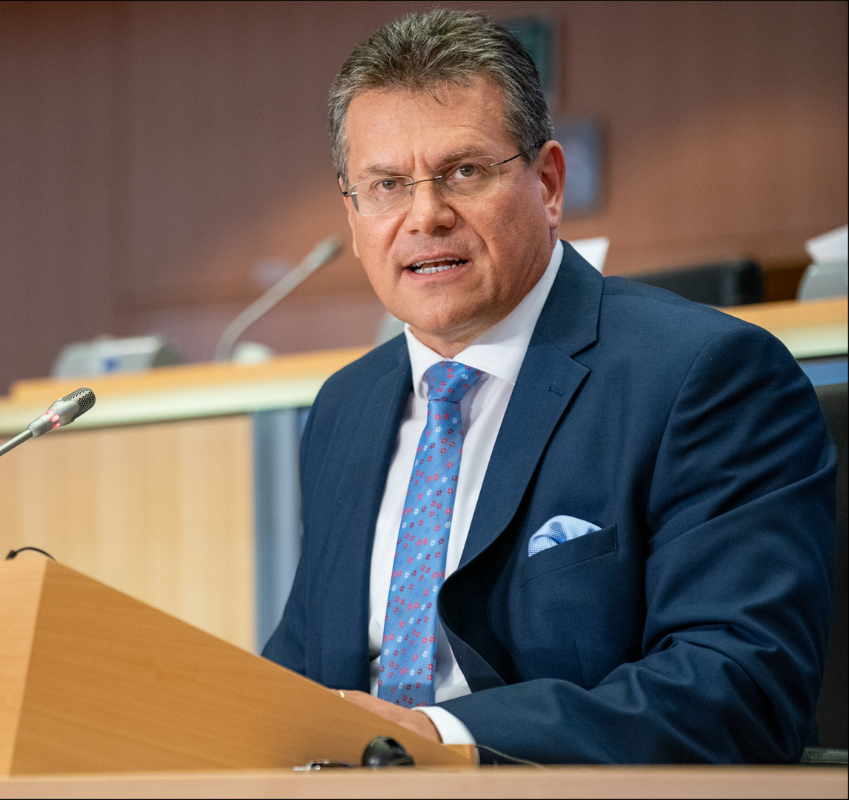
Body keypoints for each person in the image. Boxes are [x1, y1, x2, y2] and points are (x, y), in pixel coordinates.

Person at [262, 9, 836, 764]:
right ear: (353, 210)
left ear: (549, 182)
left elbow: (738, 688)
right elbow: (301, 669)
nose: (425, 215)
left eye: (463, 171)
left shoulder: (707, 376)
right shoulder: (347, 407)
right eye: (387, 184)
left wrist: (441, 740)